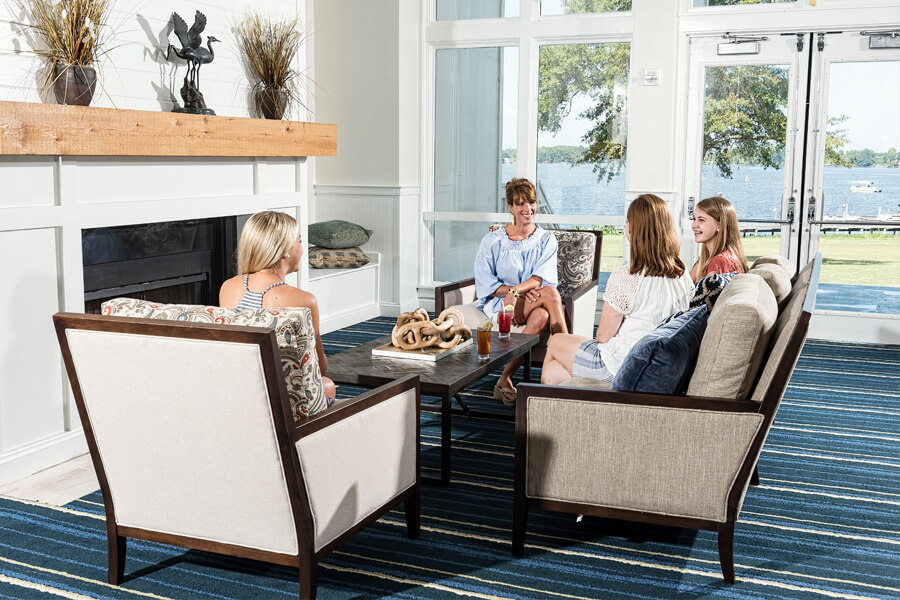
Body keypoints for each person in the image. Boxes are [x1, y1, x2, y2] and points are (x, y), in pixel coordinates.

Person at [541, 193, 693, 385]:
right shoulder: (682, 274)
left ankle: (536, 401)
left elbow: (603, 338)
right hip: (657, 367)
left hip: (621, 366)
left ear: (632, 229)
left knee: (556, 342)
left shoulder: (627, 276)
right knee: (554, 371)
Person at [219, 211, 336, 400]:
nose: (302, 248)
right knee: (327, 384)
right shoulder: (305, 300)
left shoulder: (228, 287)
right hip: (279, 398)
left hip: (238, 387)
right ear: (285, 250)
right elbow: (318, 369)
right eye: (299, 241)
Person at [474, 177, 568, 405]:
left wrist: (517, 291)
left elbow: (541, 277)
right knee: (551, 295)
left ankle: (504, 379)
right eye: (520, 203)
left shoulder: (546, 239)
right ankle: (570, 359)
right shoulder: (493, 240)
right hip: (501, 303)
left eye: (531, 202)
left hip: (531, 298)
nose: (528, 209)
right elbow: (486, 284)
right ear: (510, 207)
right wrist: (513, 294)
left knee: (542, 315)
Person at [689, 196, 749, 282]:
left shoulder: (720, 261)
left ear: (719, 226)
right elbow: (684, 285)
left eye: (701, 220)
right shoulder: (706, 258)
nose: (694, 225)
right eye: (694, 219)